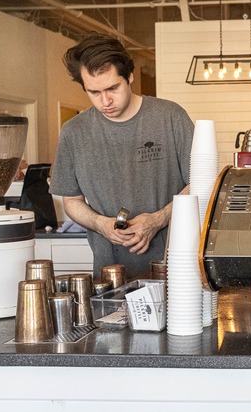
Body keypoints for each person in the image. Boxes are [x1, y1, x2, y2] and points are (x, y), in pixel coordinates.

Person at [50, 33, 194, 279]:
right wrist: (100, 225)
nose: (105, 101)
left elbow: (201, 185)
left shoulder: (170, 117)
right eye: (94, 92)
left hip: (177, 270)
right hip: (108, 275)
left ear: (129, 77)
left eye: (112, 88)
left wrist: (158, 220)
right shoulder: (74, 132)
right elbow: (71, 201)